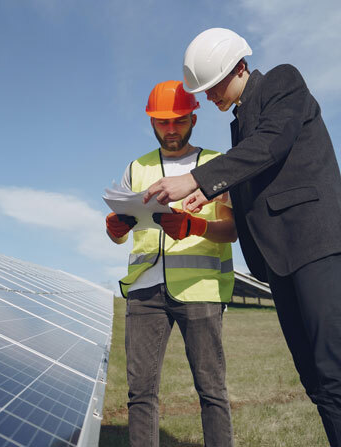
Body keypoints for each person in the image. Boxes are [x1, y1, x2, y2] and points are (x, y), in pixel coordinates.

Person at [143, 28, 341, 446]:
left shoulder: (283, 81)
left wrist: (196, 179)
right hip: (279, 260)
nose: (208, 97)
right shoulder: (240, 125)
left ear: (240, 67)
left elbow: (270, 145)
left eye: (213, 86)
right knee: (319, 384)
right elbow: (258, 173)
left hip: (317, 244)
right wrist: (217, 195)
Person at [106, 80, 237, 447]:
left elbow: (232, 230)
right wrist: (114, 229)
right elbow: (122, 235)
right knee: (140, 394)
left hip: (201, 289)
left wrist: (196, 225)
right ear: (151, 122)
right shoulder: (138, 167)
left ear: (193, 118)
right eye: (162, 122)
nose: (170, 129)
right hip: (145, 291)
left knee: (212, 391)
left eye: (178, 121)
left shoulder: (216, 164)